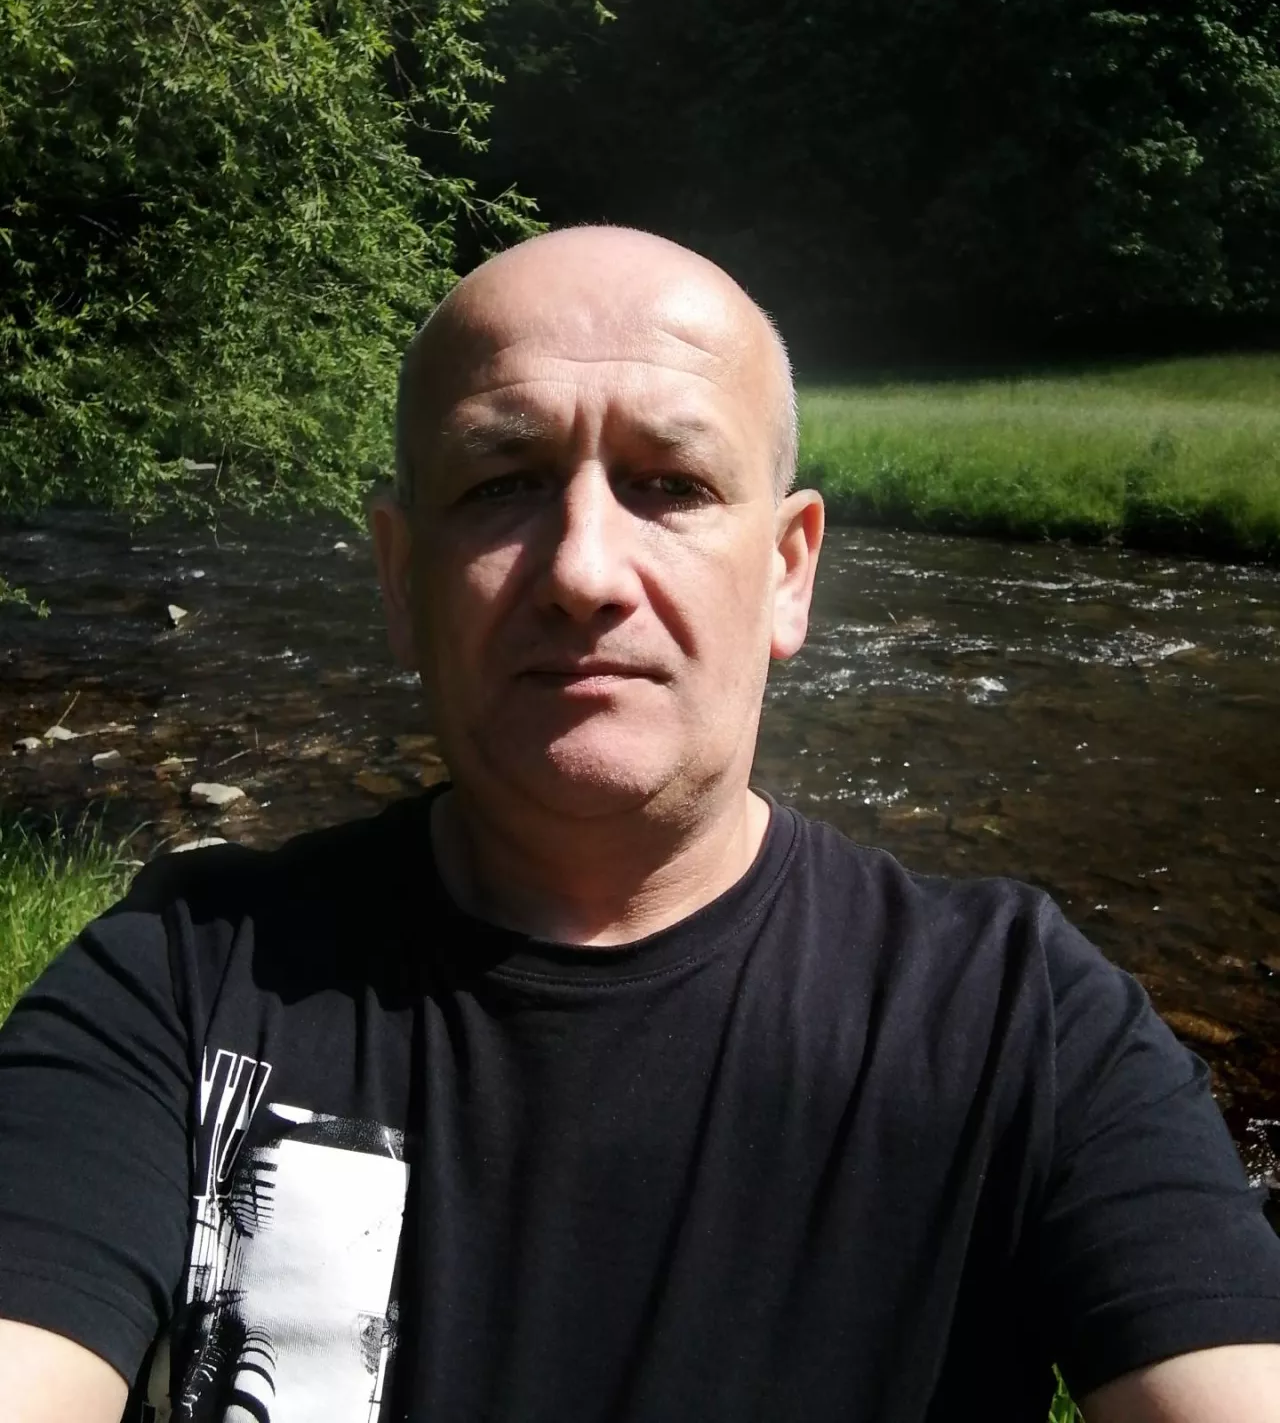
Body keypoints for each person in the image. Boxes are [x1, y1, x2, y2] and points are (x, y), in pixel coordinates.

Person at [0, 225, 1277, 1423]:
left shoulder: (1018, 1024)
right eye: (502, 483)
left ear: (786, 570)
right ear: (400, 576)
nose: (582, 570)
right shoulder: (181, 986)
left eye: (670, 484)